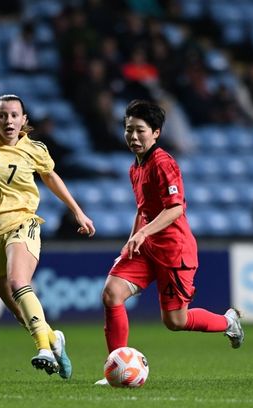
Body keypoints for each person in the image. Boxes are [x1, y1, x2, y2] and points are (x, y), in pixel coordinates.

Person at [0, 94, 95, 379]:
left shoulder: (35, 149)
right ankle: (53, 339)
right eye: (3, 115)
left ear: (24, 120)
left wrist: (77, 212)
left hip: (22, 223)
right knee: (15, 306)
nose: (9, 120)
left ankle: (44, 350)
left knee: (18, 281)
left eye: (14, 115)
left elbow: (51, 177)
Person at [95, 100, 244, 385]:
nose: (133, 137)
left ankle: (228, 322)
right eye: (129, 130)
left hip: (174, 250)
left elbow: (175, 208)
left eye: (140, 130)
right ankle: (117, 365)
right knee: (111, 293)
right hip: (147, 246)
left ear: (156, 133)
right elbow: (143, 210)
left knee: (175, 321)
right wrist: (132, 240)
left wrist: (143, 233)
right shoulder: (135, 168)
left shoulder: (164, 163)